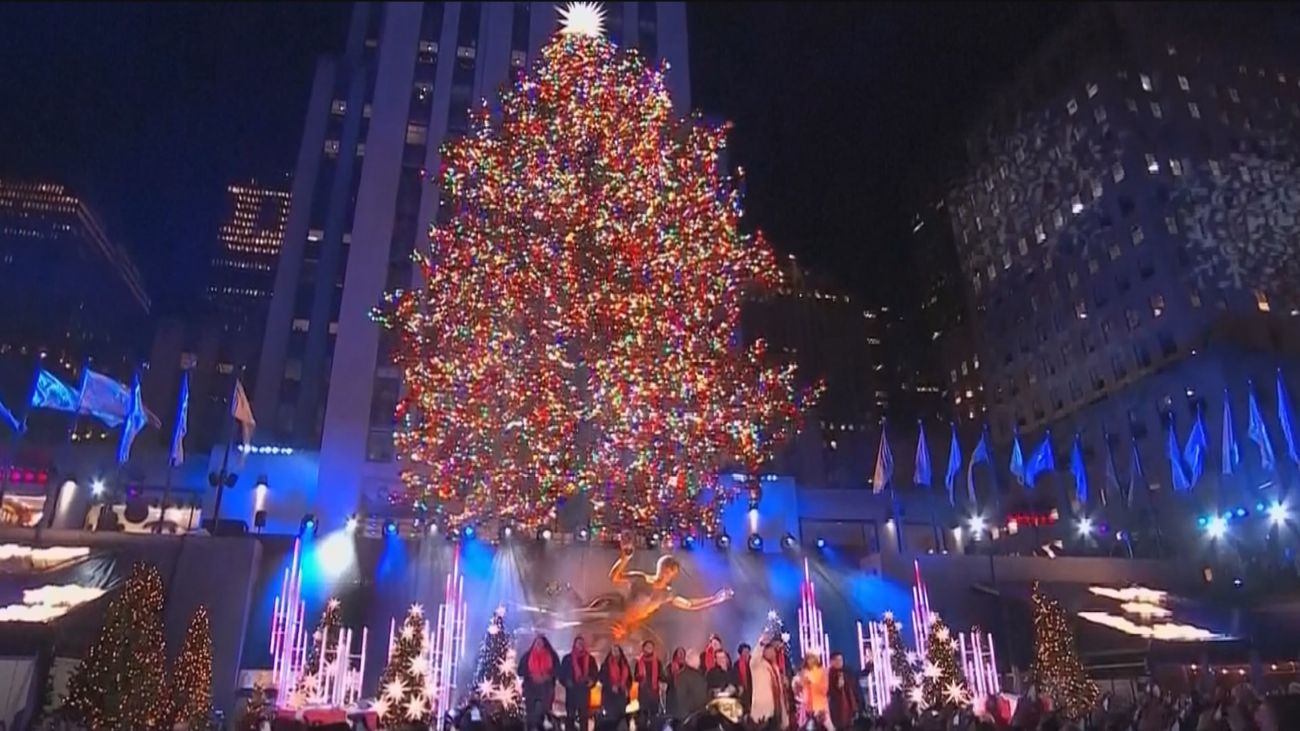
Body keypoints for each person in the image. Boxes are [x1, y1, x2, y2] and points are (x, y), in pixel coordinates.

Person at [518, 634, 560, 730]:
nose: (539, 644)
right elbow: (520, 671)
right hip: (531, 689)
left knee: (544, 713)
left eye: (541, 642)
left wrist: (547, 676)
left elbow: (558, 670)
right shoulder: (527, 656)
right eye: (537, 642)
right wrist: (531, 675)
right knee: (531, 715)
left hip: (546, 689)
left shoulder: (552, 656)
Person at [560, 636, 597, 731]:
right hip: (572, 691)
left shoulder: (590, 659)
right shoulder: (567, 658)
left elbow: (595, 673)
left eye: (582, 643)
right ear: (574, 644)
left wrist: (592, 681)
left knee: (584, 717)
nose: (580, 645)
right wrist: (567, 682)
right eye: (578, 643)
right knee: (570, 716)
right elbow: (562, 674)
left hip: (584, 691)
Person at [749, 641, 788, 728]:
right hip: (763, 710)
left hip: (776, 709)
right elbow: (754, 657)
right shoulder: (757, 665)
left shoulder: (775, 667)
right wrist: (761, 643)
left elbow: (779, 692)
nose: (772, 653)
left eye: (773, 650)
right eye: (769, 650)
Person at [669, 649, 710, 721]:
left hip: (701, 715)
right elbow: (681, 698)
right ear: (690, 660)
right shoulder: (683, 676)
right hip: (690, 717)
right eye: (697, 659)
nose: (699, 661)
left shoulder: (700, 674)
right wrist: (686, 718)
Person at [634, 639, 666, 721]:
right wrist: (639, 677)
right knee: (643, 718)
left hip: (654, 693)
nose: (649, 648)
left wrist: (666, 679)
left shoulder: (657, 662)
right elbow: (635, 677)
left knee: (654, 716)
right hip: (643, 692)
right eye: (647, 646)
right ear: (643, 648)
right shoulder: (639, 662)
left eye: (651, 647)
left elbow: (661, 675)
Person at [796, 652, 830, 729]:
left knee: (828, 726)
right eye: (809, 659)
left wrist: (813, 681)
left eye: (813, 658)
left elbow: (824, 690)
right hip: (807, 707)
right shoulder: (803, 673)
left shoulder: (823, 672)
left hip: (820, 706)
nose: (811, 661)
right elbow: (800, 689)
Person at [599, 645, 632, 721]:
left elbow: (629, 679)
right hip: (609, 695)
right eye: (613, 651)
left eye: (617, 650)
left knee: (621, 717)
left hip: (622, 694)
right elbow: (602, 678)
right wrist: (611, 686)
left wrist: (627, 687)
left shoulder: (625, 665)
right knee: (611, 718)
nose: (615, 652)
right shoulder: (605, 665)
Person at [827, 652, 857, 731]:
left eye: (841, 660)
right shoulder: (828, 675)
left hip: (848, 708)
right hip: (836, 709)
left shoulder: (846, 672)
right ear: (831, 662)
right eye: (837, 660)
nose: (840, 662)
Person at [733, 644, 754, 713]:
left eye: (748, 651)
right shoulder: (737, 664)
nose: (746, 653)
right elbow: (735, 676)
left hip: (753, 689)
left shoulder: (753, 662)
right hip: (742, 690)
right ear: (740, 653)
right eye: (744, 652)